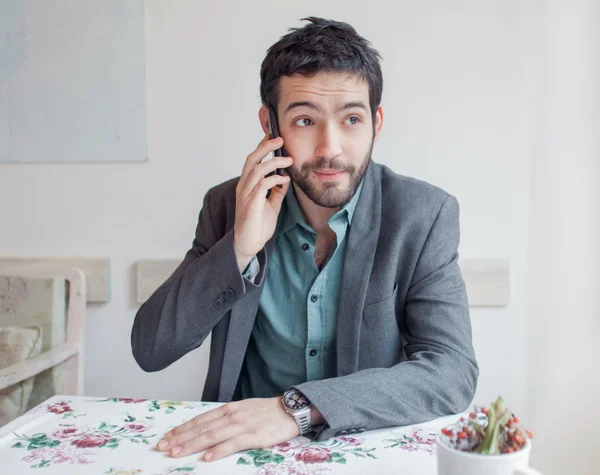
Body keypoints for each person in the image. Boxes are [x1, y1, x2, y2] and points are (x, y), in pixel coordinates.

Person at [131, 16, 478, 462]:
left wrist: (294, 409)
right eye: (304, 119)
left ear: (376, 122)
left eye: (351, 118)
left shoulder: (422, 214)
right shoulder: (227, 205)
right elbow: (151, 349)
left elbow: (451, 372)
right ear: (269, 124)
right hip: (241, 456)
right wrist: (238, 248)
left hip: (359, 450)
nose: (329, 147)